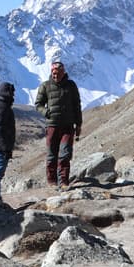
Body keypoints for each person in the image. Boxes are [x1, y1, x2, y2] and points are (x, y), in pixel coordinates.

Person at [34, 61, 82, 190]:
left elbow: (77, 105)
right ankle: (52, 182)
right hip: (52, 126)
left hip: (68, 126)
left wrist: (79, 124)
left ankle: (64, 182)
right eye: (53, 73)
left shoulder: (71, 86)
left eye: (58, 73)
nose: (55, 76)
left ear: (63, 73)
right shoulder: (45, 86)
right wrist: (46, 112)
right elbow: (38, 104)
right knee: (51, 155)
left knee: (65, 154)